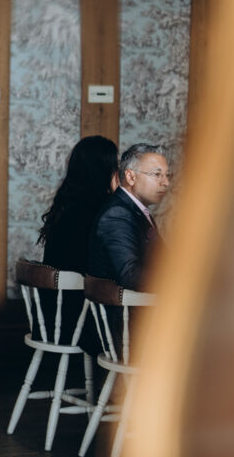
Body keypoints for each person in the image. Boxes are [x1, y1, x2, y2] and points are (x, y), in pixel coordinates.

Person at [36, 135, 118, 347]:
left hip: (53, 314)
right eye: (114, 165)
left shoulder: (67, 205)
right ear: (105, 170)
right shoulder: (102, 211)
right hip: (78, 320)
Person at [87, 142, 170, 291]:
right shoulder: (117, 213)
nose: (166, 183)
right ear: (131, 177)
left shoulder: (135, 210)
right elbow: (129, 276)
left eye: (167, 175)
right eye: (157, 174)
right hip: (127, 304)